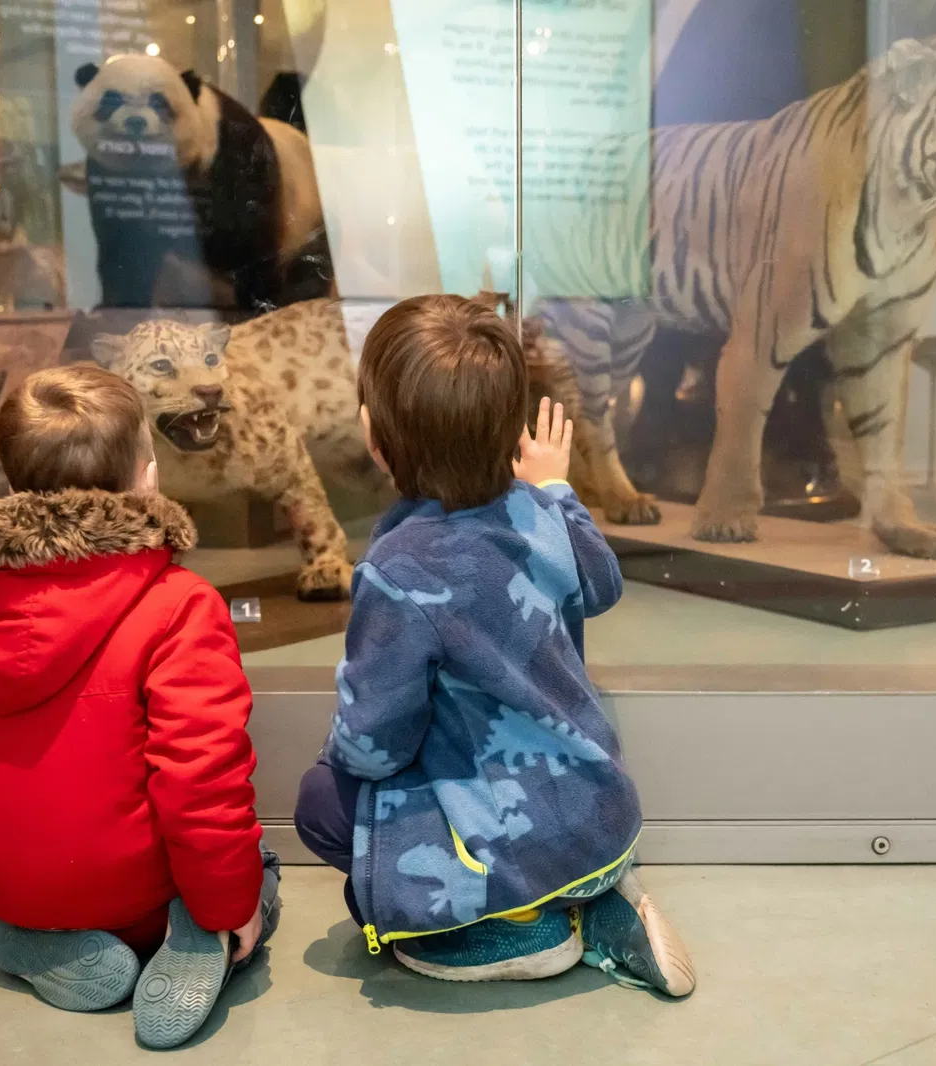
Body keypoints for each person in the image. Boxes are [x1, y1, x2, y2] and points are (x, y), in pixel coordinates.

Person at [294, 295, 696, 996]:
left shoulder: (399, 571)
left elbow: (375, 743)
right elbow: (601, 584)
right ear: (512, 430)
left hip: (501, 851)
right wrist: (560, 490)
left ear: (374, 435)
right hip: (598, 816)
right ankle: (592, 896)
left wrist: (342, 756)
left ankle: (516, 936)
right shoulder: (540, 511)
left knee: (323, 801)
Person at [0, 365, 278, 1049]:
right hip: (130, 895)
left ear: (13, 479)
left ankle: (32, 937)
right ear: (146, 478)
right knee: (256, 867)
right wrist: (229, 903)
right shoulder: (179, 604)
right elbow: (199, 776)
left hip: (4, 880)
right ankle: (192, 934)